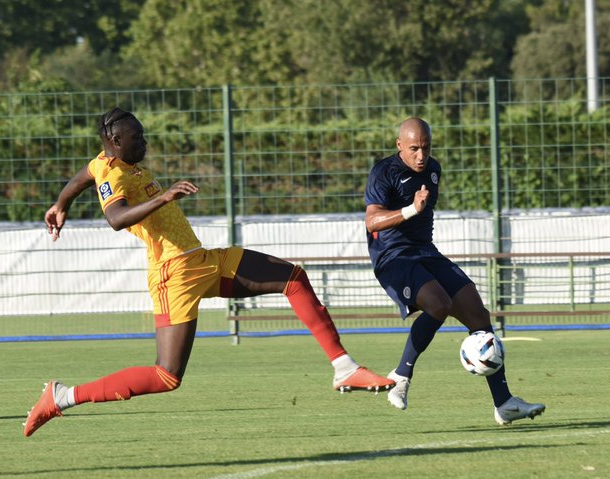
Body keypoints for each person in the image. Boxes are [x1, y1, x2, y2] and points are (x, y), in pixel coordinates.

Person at [23, 107, 395, 437]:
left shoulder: (106, 162)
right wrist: (164, 196)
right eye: (138, 137)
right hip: (173, 275)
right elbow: (116, 218)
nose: (145, 142)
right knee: (167, 376)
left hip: (201, 260)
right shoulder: (115, 176)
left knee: (293, 278)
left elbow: (84, 174)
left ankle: (344, 367)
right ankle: (62, 396)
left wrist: (61, 203)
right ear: (116, 141)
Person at [364, 117, 545, 425]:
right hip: (394, 258)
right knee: (439, 304)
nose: (421, 156)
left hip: (425, 253)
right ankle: (401, 376)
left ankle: (504, 403)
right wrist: (411, 209)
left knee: (478, 315)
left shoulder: (433, 169)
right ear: (399, 146)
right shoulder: (384, 172)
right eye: (413, 149)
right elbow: (372, 221)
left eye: (426, 147)